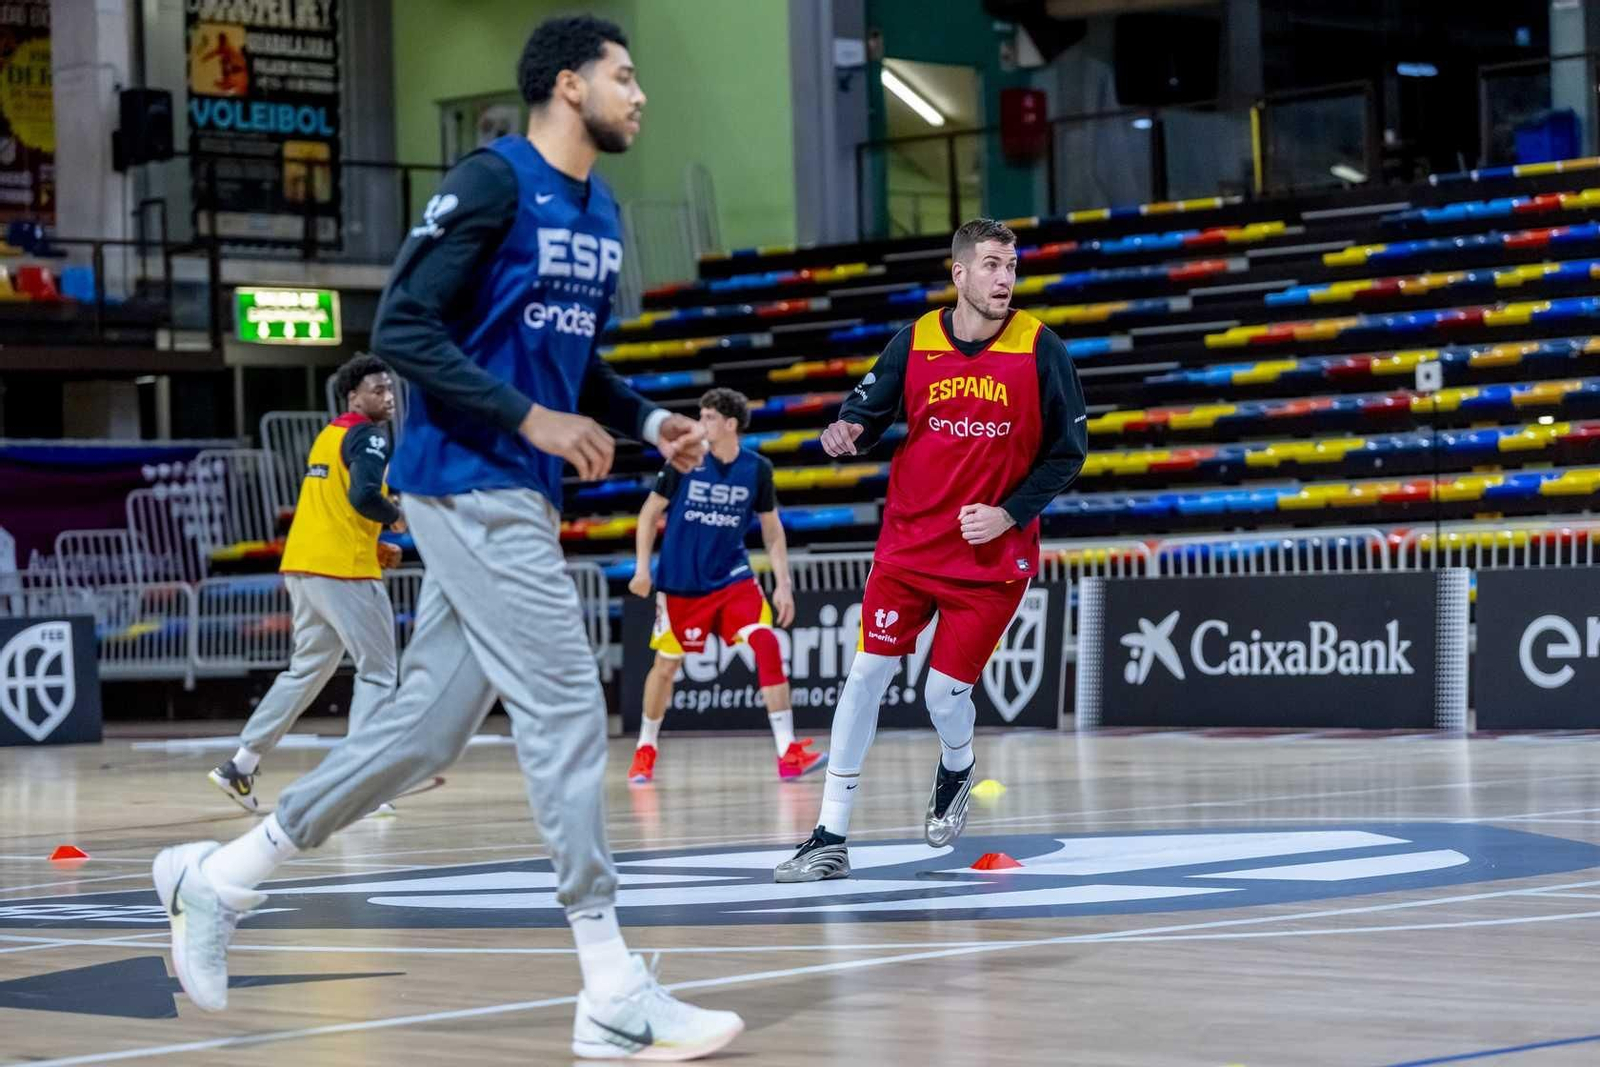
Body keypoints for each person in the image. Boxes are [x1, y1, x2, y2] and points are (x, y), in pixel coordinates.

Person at [152, 16, 744, 1060]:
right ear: (569, 87)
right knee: (564, 698)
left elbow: (576, 368)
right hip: (464, 480)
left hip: (514, 487)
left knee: (420, 734)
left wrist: (648, 423)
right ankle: (610, 984)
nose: (640, 93)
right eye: (624, 74)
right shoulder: (490, 182)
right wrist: (529, 420)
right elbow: (402, 329)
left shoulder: (600, 212)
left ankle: (222, 876)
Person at [775, 217, 1089, 883]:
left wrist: (1007, 513)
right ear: (961, 274)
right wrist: (847, 431)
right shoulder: (916, 339)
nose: (1006, 277)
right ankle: (830, 833)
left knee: (944, 695)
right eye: (993, 264)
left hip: (990, 558)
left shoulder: (1041, 346)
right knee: (866, 675)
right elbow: (868, 409)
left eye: (1012, 265)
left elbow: (1070, 451)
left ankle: (956, 764)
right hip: (909, 547)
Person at [208, 355, 405, 816]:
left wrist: (376, 547)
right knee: (378, 672)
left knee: (305, 673)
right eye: (378, 389)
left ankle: (241, 764)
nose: (388, 396)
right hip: (342, 573)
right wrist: (394, 515)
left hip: (305, 566)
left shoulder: (329, 435)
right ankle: (362, 784)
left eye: (390, 388)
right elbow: (362, 497)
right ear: (354, 395)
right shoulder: (370, 435)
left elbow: (335, 509)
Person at [626, 387, 824, 783]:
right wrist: (642, 569)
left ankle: (787, 752)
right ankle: (646, 747)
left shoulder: (756, 468)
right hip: (682, 582)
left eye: (709, 418)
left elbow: (772, 531)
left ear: (730, 424)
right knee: (665, 667)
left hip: (733, 578)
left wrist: (783, 583)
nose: (701, 425)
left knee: (766, 643)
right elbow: (649, 514)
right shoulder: (684, 461)